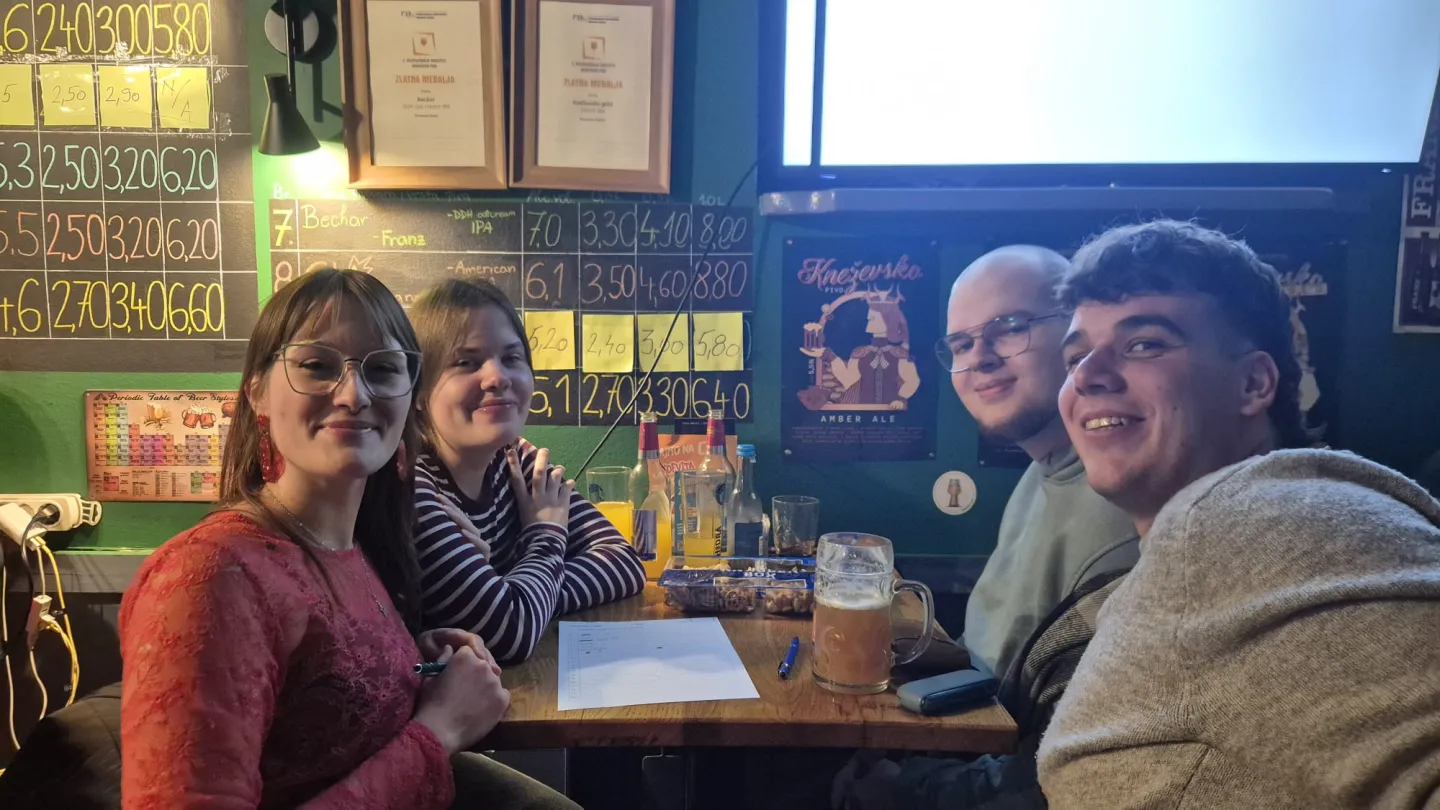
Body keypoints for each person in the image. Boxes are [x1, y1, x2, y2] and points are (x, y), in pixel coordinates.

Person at [119, 268, 577, 809]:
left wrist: (412, 663)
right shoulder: (209, 577)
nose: (354, 394)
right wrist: (439, 732)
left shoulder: (355, 547)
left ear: (409, 396)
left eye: (383, 369)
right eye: (317, 366)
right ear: (257, 392)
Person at [1038, 221, 1440, 808]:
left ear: (1253, 383)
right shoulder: (1203, 543)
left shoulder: (1279, 520)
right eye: (1076, 356)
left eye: (1145, 343)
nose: (1087, 376)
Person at [833, 246, 1139, 809]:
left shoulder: (1125, 509)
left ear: (1077, 337)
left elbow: (1069, 769)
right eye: (961, 344)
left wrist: (907, 789)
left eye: (1010, 328)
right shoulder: (1041, 471)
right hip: (956, 736)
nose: (980, 358)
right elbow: (993, 657)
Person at [408, 278, 645, 664]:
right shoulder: (413, 489)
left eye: (512, 358)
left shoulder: (517, 459)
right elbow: (511, 633)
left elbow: (624, 561)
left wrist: (522, 595)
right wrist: (546, 533)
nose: (497, 377)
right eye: (466, 362)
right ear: (418, 393)